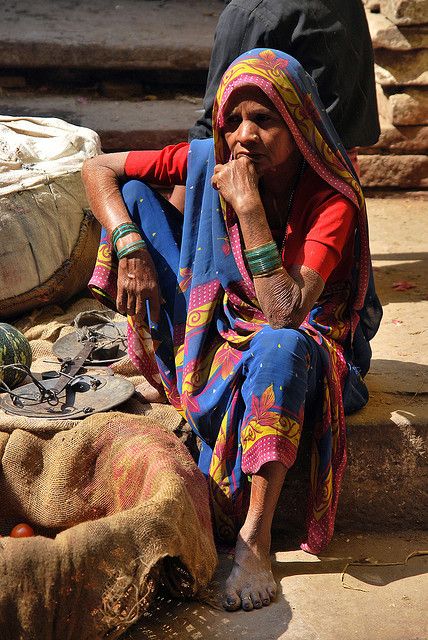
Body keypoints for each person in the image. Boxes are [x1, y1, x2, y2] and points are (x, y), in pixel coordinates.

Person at [82, 48, 381, 612]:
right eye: (233, 121)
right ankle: (178, 369)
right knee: (140, 198)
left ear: (298, 124)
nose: (243, 136)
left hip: (299, 342)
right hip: (219, 324)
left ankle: (255, 538)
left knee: (279, 346)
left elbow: (286, 312)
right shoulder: (205, 159)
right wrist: (127, 242)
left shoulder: (331, 199)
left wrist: (248, 209)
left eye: (264, 120)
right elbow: (97, 168)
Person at [169, 0, 380, 212]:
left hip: (278, 197)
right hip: (343, 182)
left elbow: (214, 126)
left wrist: (180, 227)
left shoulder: (252, 13)